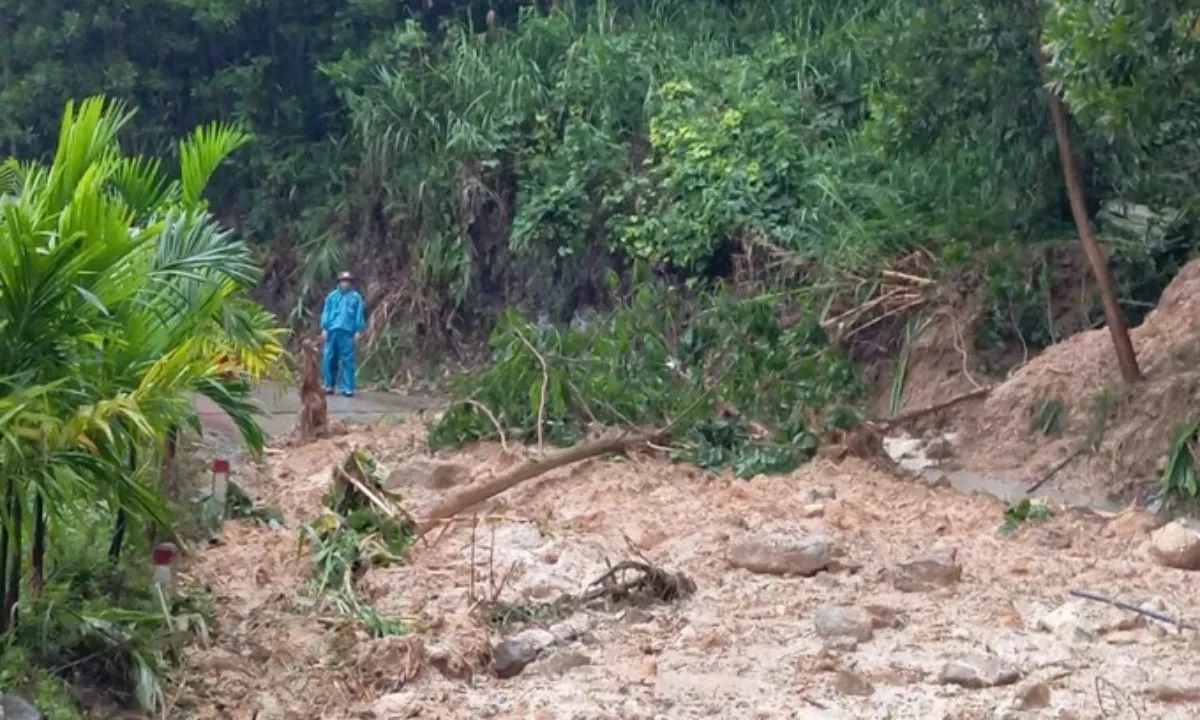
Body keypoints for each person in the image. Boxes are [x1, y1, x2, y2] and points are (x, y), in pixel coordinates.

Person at [320, 271, 367, 397]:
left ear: (351, 283)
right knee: (328, 359)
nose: (345, 283)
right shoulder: (332, 297)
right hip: (332, 331)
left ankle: (347, 387)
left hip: (348, 332)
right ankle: (329, 384)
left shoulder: (356, 297)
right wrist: (324, 328)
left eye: (347, 281)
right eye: (343, 281)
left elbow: (359, 315)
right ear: (339, 282)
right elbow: (326, 312)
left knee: (348, 361)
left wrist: (358, 330)